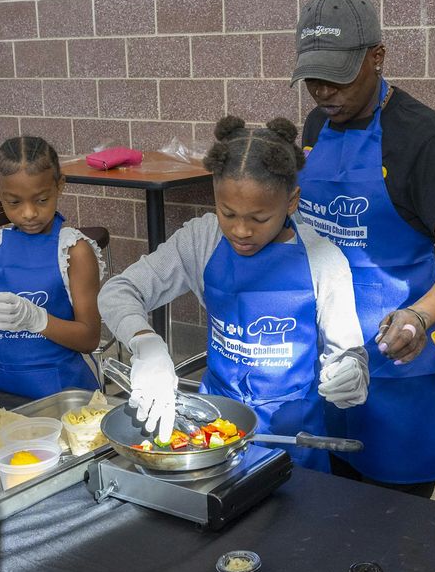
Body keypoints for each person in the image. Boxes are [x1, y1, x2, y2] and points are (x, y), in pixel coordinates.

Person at [292, 0, 435, 498]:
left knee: (394, 524)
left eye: (337, 77)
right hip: (325, 359)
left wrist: (419, 316)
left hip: (394, 359)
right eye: (313, 80)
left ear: (377, 57)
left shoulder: (423, 137)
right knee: (319, 504)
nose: (323, 92)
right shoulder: (316, 126)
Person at [98, 116, 368, 471]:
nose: (241, 231)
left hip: (293, 439)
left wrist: (350, 373)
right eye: (228, 213)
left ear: (291, 202)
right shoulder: (202, 240)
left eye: (258, 218)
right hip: (214, 430)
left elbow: (348, 353)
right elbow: (118, 291)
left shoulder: (323, 260)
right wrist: (146, 343)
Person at [0, 136, 104, 399]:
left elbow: (90, 339)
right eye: (14, 202)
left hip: (67, 395)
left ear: (59, 186)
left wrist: (37, 320)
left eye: (41, 200)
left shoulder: (73, 250)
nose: (29, 213)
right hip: (9, 394)